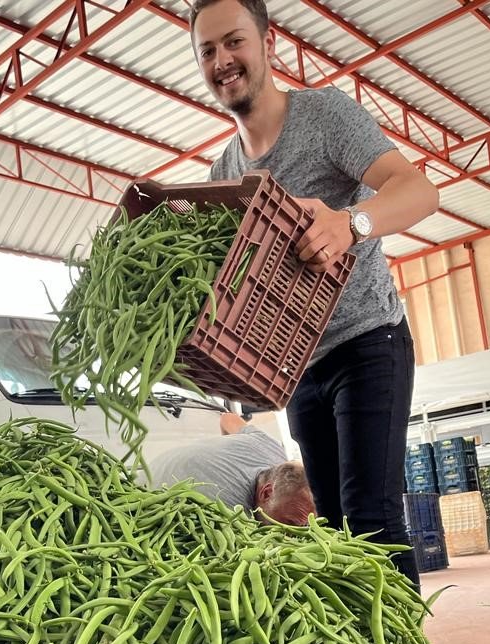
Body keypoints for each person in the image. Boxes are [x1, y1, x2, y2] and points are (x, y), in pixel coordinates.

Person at [188, 0, 440, 587]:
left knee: (371, 516)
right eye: (208, 50)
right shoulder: (224, 173)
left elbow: (418, 191)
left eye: (234, 42)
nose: (223, 60)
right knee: (328, 528)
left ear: (268, 43)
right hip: (299, 365)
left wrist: (351, 223)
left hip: (368, 341)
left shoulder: (324, 116)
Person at [149, 411, 315, 525]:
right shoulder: (230, 515)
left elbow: (227, 418)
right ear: (266, 492)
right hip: (146, 494)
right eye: (290, 523)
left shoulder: (271, 448)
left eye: (305, 525)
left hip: (155, 463)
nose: (294, 533)